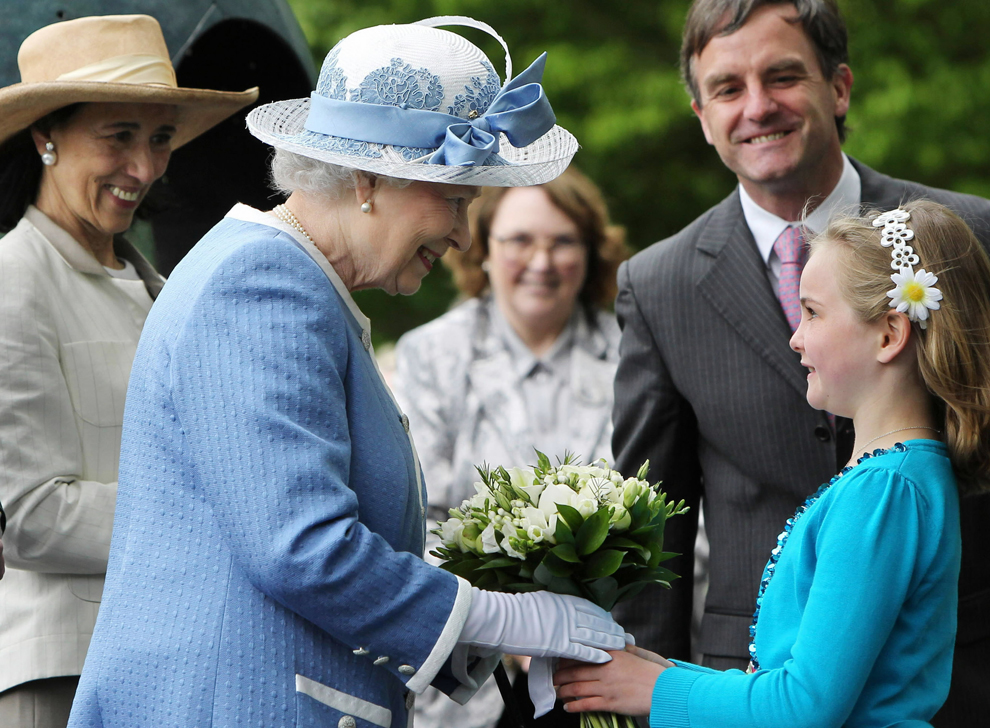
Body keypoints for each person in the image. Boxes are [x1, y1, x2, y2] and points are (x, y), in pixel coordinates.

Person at [67, 17, 627, 728]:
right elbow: (300, 547)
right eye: (455, 197)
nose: (462, 232)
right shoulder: (264, 281)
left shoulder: (293, 280)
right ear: (368, 179)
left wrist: (488, 633)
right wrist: (500, 617)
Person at [608, 1, 990, 722]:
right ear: (699, 112)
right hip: (747, 688)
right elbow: (658, 515)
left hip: (959, 678)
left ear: (839, 86)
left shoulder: (968, 236)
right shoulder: (657, 284)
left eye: (782, 76)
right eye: (727, 87)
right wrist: (642, 695)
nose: (757, 107)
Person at [557, 199, 990, 725]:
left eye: (812, 312)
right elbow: (793, 685)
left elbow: (802, 708)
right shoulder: (898, 476)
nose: (795, 336)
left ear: (889, 335)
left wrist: (657, 689)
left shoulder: (882, 492)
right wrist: (659, 671)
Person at [0, 15, 257, 727]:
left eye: (161, 139)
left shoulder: (158, 288)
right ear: (45, 135)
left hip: (167, 661)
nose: (143, 169)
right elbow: (29, 516)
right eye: (119, 136)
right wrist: (231, 510)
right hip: (65, 674)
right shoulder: (13, 278)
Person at [394, 167, 629, 728]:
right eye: (521, 240)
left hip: (612, 662)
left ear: (592, 252)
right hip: (474, 673)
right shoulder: (432, 355)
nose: (542, 263)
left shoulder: (633, 354)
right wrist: (517, 627)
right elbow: (417, 521)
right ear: (483, 249)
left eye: (563, 242)